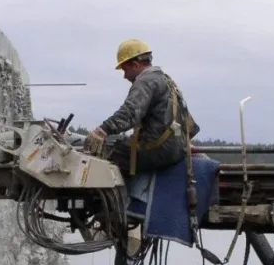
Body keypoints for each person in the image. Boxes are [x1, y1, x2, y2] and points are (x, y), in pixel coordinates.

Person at [85, 39, 199, 178]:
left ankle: (119, 192)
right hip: (176, 149)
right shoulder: (166, 80)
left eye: (125, 70)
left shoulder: (145, 81)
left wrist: (102, 131)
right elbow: (187, 121)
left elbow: (130, 113)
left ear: (135, 65)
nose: (125, 76)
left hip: (156, 150)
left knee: (103, 148)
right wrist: (181, 143)